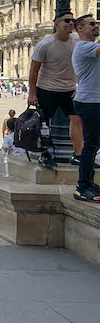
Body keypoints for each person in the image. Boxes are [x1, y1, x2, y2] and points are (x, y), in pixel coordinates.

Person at [28, 10, 81, 167]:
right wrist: (32, 93)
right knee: (44, 123)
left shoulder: (77, 41)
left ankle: (78, 154)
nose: (71, 23)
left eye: (73, 20)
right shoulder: (45, 45)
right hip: (46, 89)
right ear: (56, 24)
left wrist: (79, 86)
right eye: (67, 20)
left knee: (77, 120)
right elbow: (34, 70)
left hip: (69, 89)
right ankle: (44, 153)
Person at [71, 14, 100, 202]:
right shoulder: (83, 47)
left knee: (93, 144)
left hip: (94, 100)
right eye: (92, 24)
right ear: (80, 29)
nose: (96, 25)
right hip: (90, 102)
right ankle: (83, 186)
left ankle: (88, 182)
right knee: (90, 146)